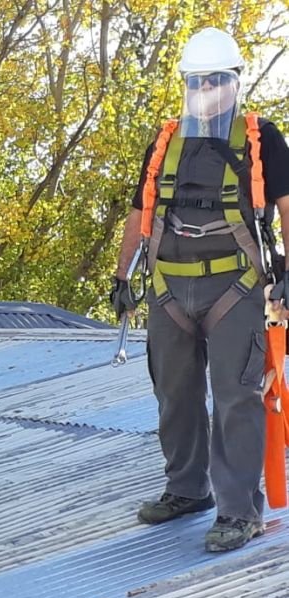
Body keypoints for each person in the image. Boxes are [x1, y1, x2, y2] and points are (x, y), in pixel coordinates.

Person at [111, 28, 289, 552]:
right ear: (186, 84)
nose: (206, 89)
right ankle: (188, 490)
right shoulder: (165, 142)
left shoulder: (262, 139)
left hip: (235, 285)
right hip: (170, 287)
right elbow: (141, 212)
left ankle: (239, 511)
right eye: (197, 81)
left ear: (235, 82)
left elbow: (287, 207)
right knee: (175, 392)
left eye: (215, 80)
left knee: (236, 396)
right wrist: (122, 278)